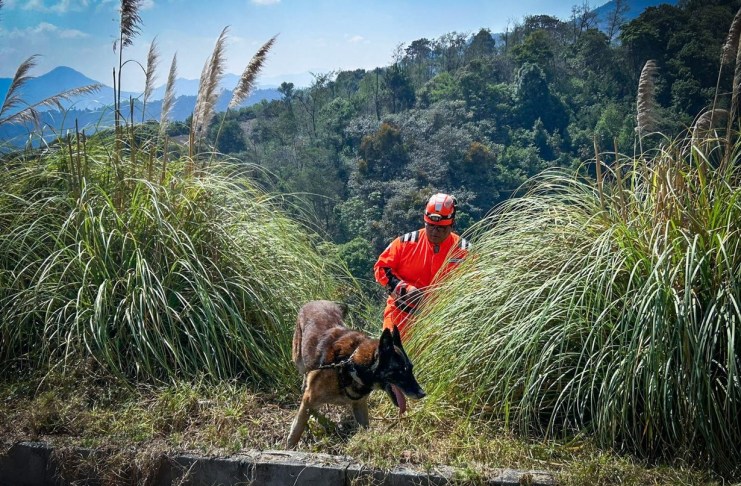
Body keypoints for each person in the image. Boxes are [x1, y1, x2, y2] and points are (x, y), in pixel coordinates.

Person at [373, 193, 471, 341]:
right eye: (430, 226)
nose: (434, 231)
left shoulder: (465, 251)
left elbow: (477, 284)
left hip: (444, 324)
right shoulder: (405, 242)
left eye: (441, 228)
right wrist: (405, 289)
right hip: (400, 319)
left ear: (452, 224)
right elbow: (381, 268)